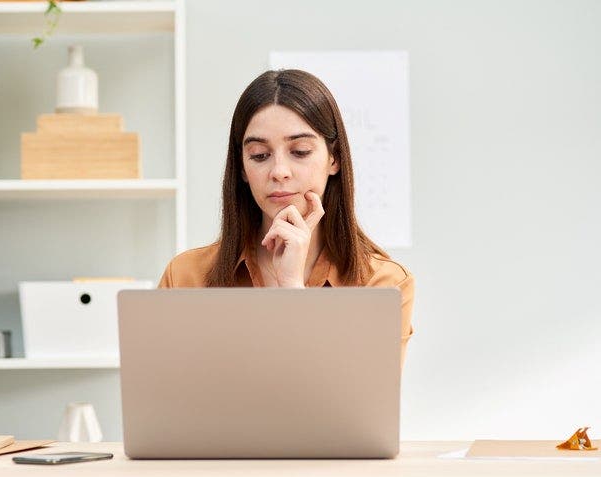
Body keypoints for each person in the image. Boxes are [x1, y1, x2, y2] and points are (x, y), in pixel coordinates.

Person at [159, 69, 414, 366]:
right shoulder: (186, 276)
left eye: (300, 151)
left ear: (334, 159)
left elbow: (359, 408)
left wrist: (292, 288)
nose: (279, 171)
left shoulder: (382, 284)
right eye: (259, 155)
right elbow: (163, 403)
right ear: (242, 168)